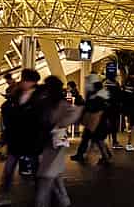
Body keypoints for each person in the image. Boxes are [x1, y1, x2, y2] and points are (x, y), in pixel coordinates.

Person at [0, 69, 43, 206]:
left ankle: (41, 198)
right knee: (8, 170)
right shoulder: (17, 95)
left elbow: (39, 120)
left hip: (31, 139)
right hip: (16, 139)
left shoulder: (39, 97)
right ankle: (3, 197)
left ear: (32, 82)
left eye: (25, 80)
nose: (23, 82)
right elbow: (11, 115)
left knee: (35, 170)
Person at [35, 76, 83, 207]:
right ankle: (63, 200)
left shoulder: (46, 102)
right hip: (58, 140)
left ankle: (48, 202)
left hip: (50, 141)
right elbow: (73, 114)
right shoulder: (61, 102)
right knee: (53, 174)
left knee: (48, 177)